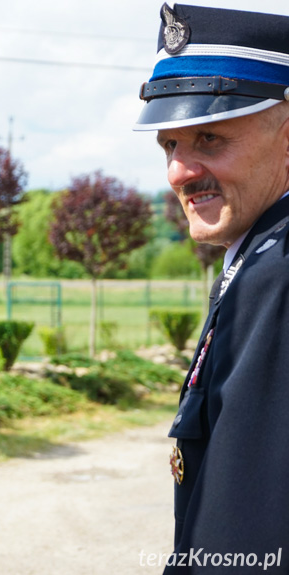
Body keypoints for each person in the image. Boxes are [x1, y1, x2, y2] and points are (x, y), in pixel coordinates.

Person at [134, 3, 289, 572]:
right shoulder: (259, 257)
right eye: (169, 146)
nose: (177, 171)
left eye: (209, 139)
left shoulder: (277, 275)